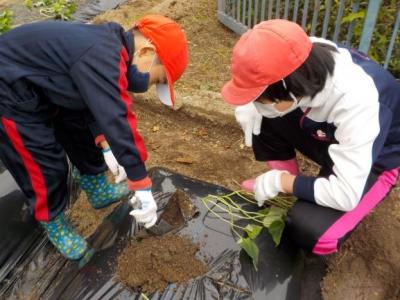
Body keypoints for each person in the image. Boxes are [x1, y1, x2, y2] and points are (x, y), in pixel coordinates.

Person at [0, 15, 188, 260]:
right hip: (10, 89)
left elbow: (93, 101)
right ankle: (53, 220)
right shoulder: (100, 53)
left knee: (81, 131)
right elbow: (116, 116)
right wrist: (139, 181)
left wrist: (106, 145)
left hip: (45, 84)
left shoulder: (110, 50)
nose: (151, 85)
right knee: (43, 163)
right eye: (158, 79)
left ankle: (96, 187)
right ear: (146, 52)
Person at [221, 19, 400, 255]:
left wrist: (280, 182)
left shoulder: (358, 101)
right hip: (329, 134)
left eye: (259, 99)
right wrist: (252, 104)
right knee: (261, 117)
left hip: (377, 157)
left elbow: (345, 195)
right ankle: (289, 187)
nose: (256, 103)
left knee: (311, 230)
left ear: (290, 89)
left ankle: (289, 185)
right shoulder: (297, 58)